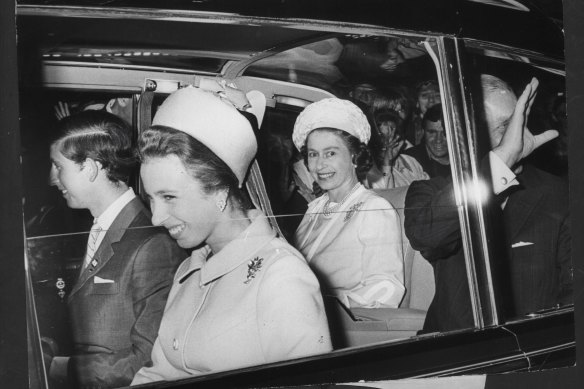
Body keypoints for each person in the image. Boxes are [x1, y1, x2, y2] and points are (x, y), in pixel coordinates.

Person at [131, 86, 332, 384]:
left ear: (220, 193)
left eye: (169, 197)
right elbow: (159, 374)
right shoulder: (188, 270)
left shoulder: (281, 276)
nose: (157, 217)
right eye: (151, 199)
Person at [404, 75, 572, 333]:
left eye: (518, 121)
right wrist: (499, 163)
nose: (517, 134)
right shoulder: (431, 191)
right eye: (505, 127)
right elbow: (427, 237)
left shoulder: (562, 195)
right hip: (451, 352)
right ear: (468, 136)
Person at [45, 110, 185, 388]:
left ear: (91, 167)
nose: (52, 178)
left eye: (58, 166)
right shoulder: (102, 226)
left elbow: (148, 360)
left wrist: (62, 367)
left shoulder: (152, 244)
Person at [292, 98, 405, 310]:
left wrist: (326, 308)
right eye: (313, 154)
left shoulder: (372, 209)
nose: (319, 164)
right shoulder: (314, 208)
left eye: (331, 153)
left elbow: (385, 287)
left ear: (355, 157)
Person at [364, 108, 428, 189]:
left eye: (392, 136)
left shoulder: (410, 162)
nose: (387, 142)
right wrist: (387, 164)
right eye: (382, 137)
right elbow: (385, 195)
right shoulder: (370, 171)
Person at [403, 104, 451, 178]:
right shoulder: (409, 160)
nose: (438, 140)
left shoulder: (467, 158)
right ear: (423, 132)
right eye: (432, 132)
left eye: (445, 133)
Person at [408, 79, 441, 145]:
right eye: (425, 95)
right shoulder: (409, 129)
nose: (431, 100)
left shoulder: (453, 124)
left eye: (437, 95)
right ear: (417, 102)